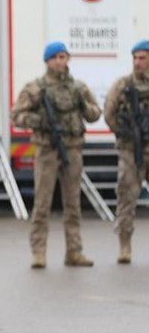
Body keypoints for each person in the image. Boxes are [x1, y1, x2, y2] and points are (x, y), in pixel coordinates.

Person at [10, 41, 101, 268]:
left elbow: (94, 114)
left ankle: (74, 251)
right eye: (55, 58)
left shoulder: (78, 88)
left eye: (63, 57)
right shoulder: (36, 89)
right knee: (42, 203)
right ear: (47, 61)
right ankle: (38, 252)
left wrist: (85, 106)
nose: (60, 62)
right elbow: (16, 115)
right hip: (47, 150)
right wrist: (38, 120)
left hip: (72, 149)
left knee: (73, 204)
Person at [103, 40, 149, 264]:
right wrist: (123, 133)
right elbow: (109, 113)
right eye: (135, 58)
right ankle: (124, 245)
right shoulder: (122, 85)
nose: (138, 62)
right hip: (131, 150)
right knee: (126, 197)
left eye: (142, 58)